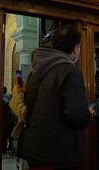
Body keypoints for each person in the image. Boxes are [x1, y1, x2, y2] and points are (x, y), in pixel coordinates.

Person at [19, 25, 94, 170]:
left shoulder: (36, 70)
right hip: (58, 153)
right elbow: (75, 115)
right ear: (76, 48)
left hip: (34, 148)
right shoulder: (71, 72)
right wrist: (89, 114)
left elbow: (29, 105)